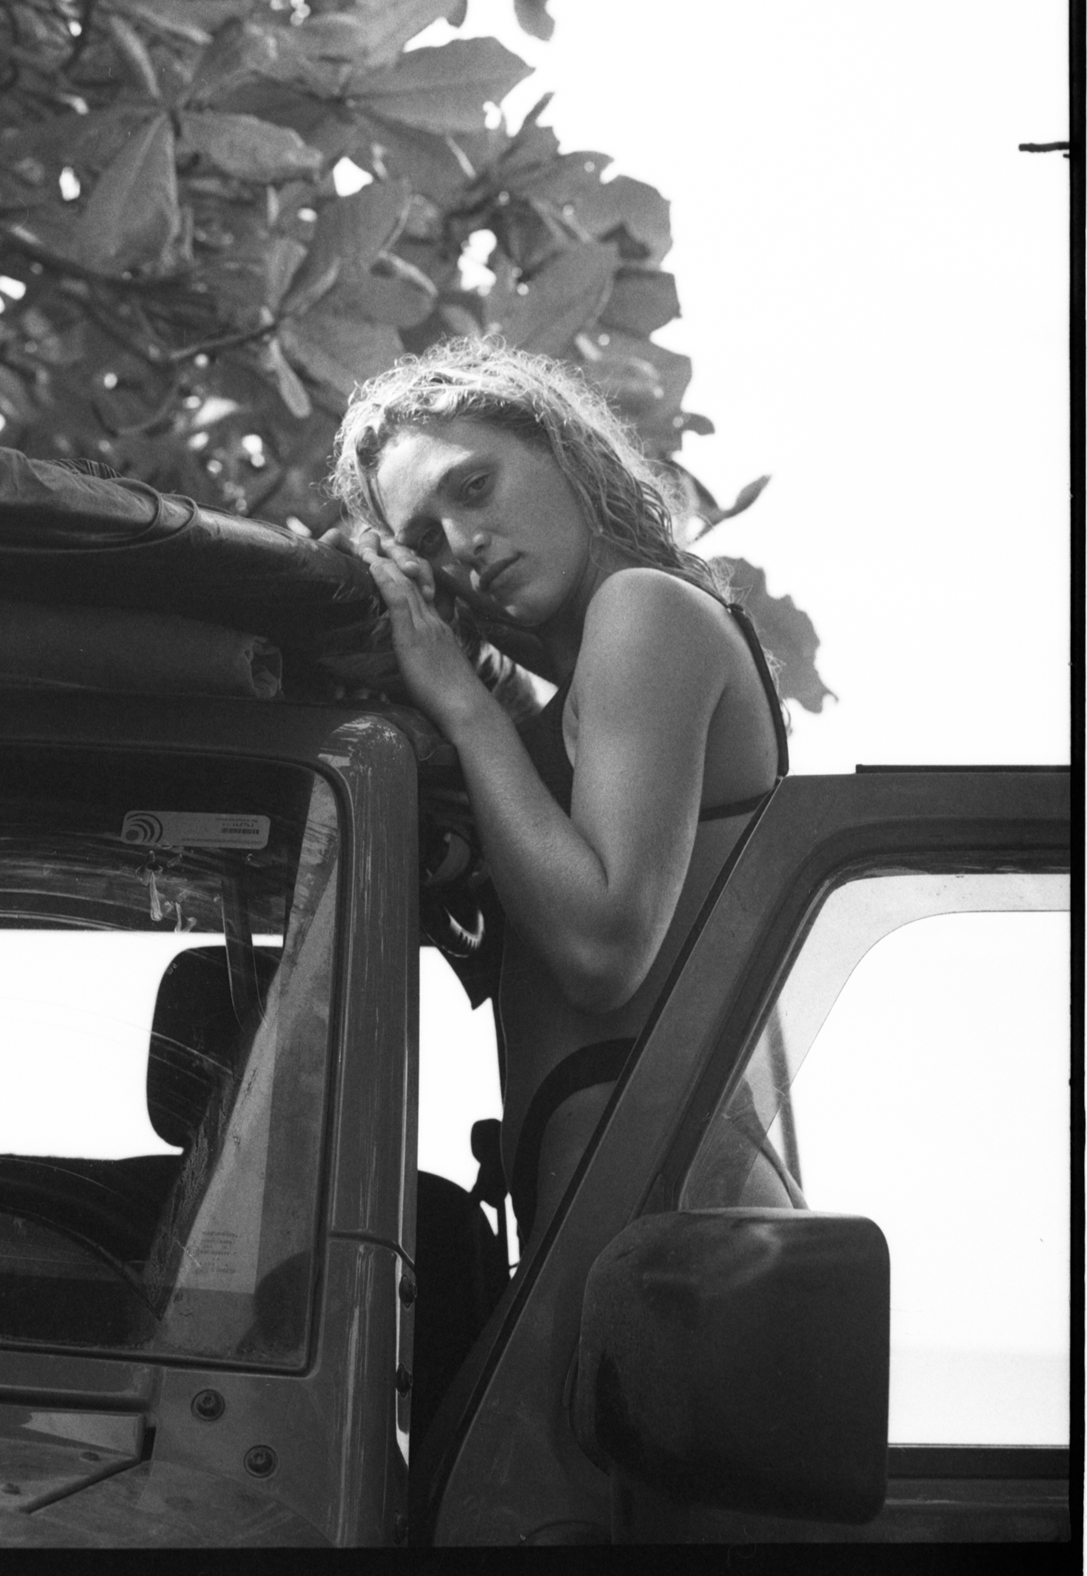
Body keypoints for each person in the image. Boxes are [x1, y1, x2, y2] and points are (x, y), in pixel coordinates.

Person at [328, 335, 790, 1260]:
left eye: (473, 487)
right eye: (423, 539)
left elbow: (601, 949)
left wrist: (459, 704)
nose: (464, 545)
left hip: (669, 1237)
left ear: (562, 451)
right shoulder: (563, 706)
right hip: (630, 1220)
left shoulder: (646, 611)